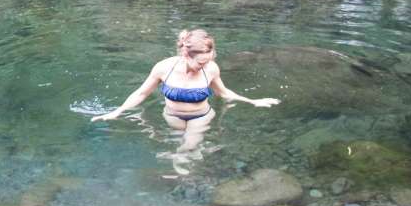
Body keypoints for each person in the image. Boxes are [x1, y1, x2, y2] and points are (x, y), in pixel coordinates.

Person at [91, 29, 280, 154]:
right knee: (178, 141)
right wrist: (118, 111)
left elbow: (223, 92)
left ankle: (181, 166)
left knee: (188, 146)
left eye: (208, 60)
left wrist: (254, 101)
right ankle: (189, 159)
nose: (205, 65)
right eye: (200, 62)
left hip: (201, 116)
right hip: (172, 117)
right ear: (185, 54)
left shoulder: (211, 68)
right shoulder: (164, 67)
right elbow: (141, 93)